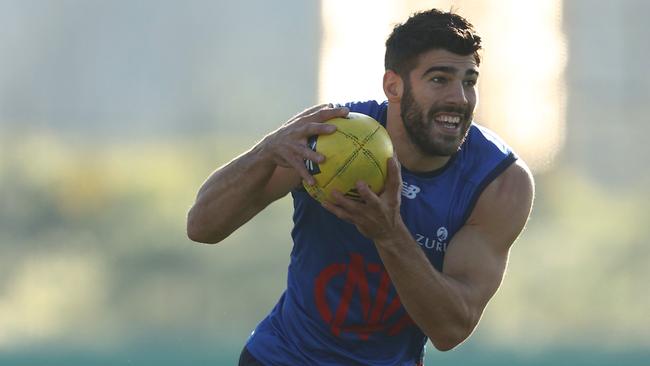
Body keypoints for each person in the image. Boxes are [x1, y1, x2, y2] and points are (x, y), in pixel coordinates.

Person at [187, 8, 534, 366]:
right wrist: (265, 151)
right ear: (393, 86)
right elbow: (202, 226)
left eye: (469, 81)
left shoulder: (500, 182)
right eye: (439, 79)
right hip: (283, 358)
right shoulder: (329, 135)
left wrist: (389, 233)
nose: (459, 99)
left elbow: (451, 329)